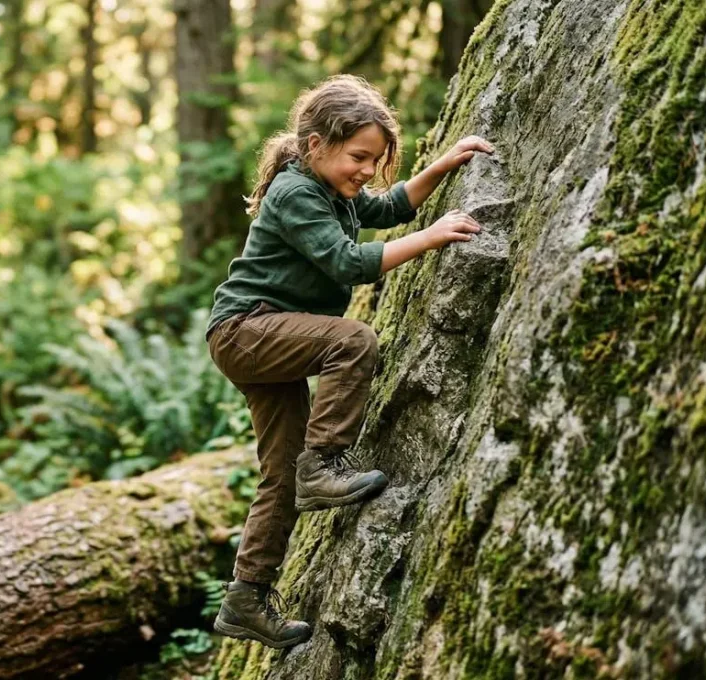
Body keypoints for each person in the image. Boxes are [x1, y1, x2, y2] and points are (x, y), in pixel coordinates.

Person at [205, 74, 495, 649]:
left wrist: (443, 166)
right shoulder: (296, 193)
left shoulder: (333, 191)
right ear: (316, 145)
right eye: (358, 157)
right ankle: (325, 464)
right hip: (246, 330)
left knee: (278, 475)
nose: (366, 170)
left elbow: (387, 207)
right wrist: (435, 237)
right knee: (353, 339)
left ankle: (245, 599)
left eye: (376, 159)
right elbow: (347, 263)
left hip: (264, 336)